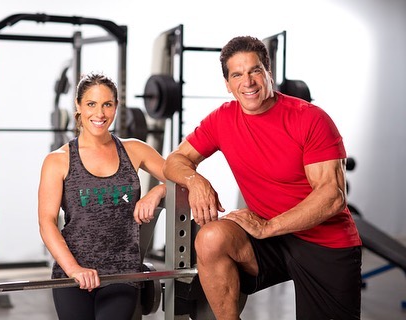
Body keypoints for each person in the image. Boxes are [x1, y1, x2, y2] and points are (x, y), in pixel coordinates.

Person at [162, 36, 362, 320]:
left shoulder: (310, 118)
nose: (248, 82)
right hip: (267, 243)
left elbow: (332, 196)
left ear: (269, 73)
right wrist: (196, 182)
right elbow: (176, 160)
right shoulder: (222, 119)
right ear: (228, 85)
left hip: (323, 241)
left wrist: (268, 226)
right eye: (237, 74)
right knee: (211, 238)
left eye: (255, 70)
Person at [38, 73, 166, 320]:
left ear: (116, 106)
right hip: (73, 272)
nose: (100, 113)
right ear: (78, 106)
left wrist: (157, 192)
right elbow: (47, 222)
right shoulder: (58, 160)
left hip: (121, 274)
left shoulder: (134, 150)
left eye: (107, 104)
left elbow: (180, 177)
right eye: (91, 104)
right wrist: (74, 270)